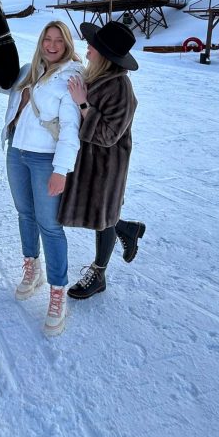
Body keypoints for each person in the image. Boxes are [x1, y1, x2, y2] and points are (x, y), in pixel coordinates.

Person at [1, 21, 83, 336]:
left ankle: (58, 292)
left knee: (49, 225)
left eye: (57, 40)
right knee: (25, 214)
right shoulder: (31, 71)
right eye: (46, 39)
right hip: (16, 152)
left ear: (67, 44)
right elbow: (2, 89)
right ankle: (31, 267)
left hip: (44, 160)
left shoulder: (71, 78)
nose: (51, 45)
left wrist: (61, 171)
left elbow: (70, 132)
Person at [58, 21, 146, 301]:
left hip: (106, 166)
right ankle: (128, 229)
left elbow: (109, 135)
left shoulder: (120, 87)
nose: (87, 51)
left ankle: (99, 274)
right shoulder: (96, 76)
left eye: (91, 47)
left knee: (103, 218)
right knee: (103, 215)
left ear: (105, 55)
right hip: (87, 162)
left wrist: (84, 105)